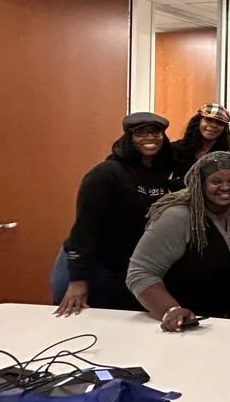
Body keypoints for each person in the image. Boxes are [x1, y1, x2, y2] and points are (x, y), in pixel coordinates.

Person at [51, 112, 174, 316]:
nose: (150, 138)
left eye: (156, 132)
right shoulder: (106, 174)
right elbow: (84, 229)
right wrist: (77, 280)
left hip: (122, 265)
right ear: (129, 137)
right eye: (141, 133)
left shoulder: (159, 175)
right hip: (89, 265)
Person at [125, 152, 230, 331]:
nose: (226, 187)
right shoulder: (178, 216)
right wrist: (171, 310)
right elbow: (140, 273)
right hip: (188, 324)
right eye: (216, 181)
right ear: (199, 184)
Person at [171, 103, 230, 181]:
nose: (213, 125)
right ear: (198, 122)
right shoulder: (176, 148)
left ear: (224, 129)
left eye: (219, 123)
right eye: (209, 120)